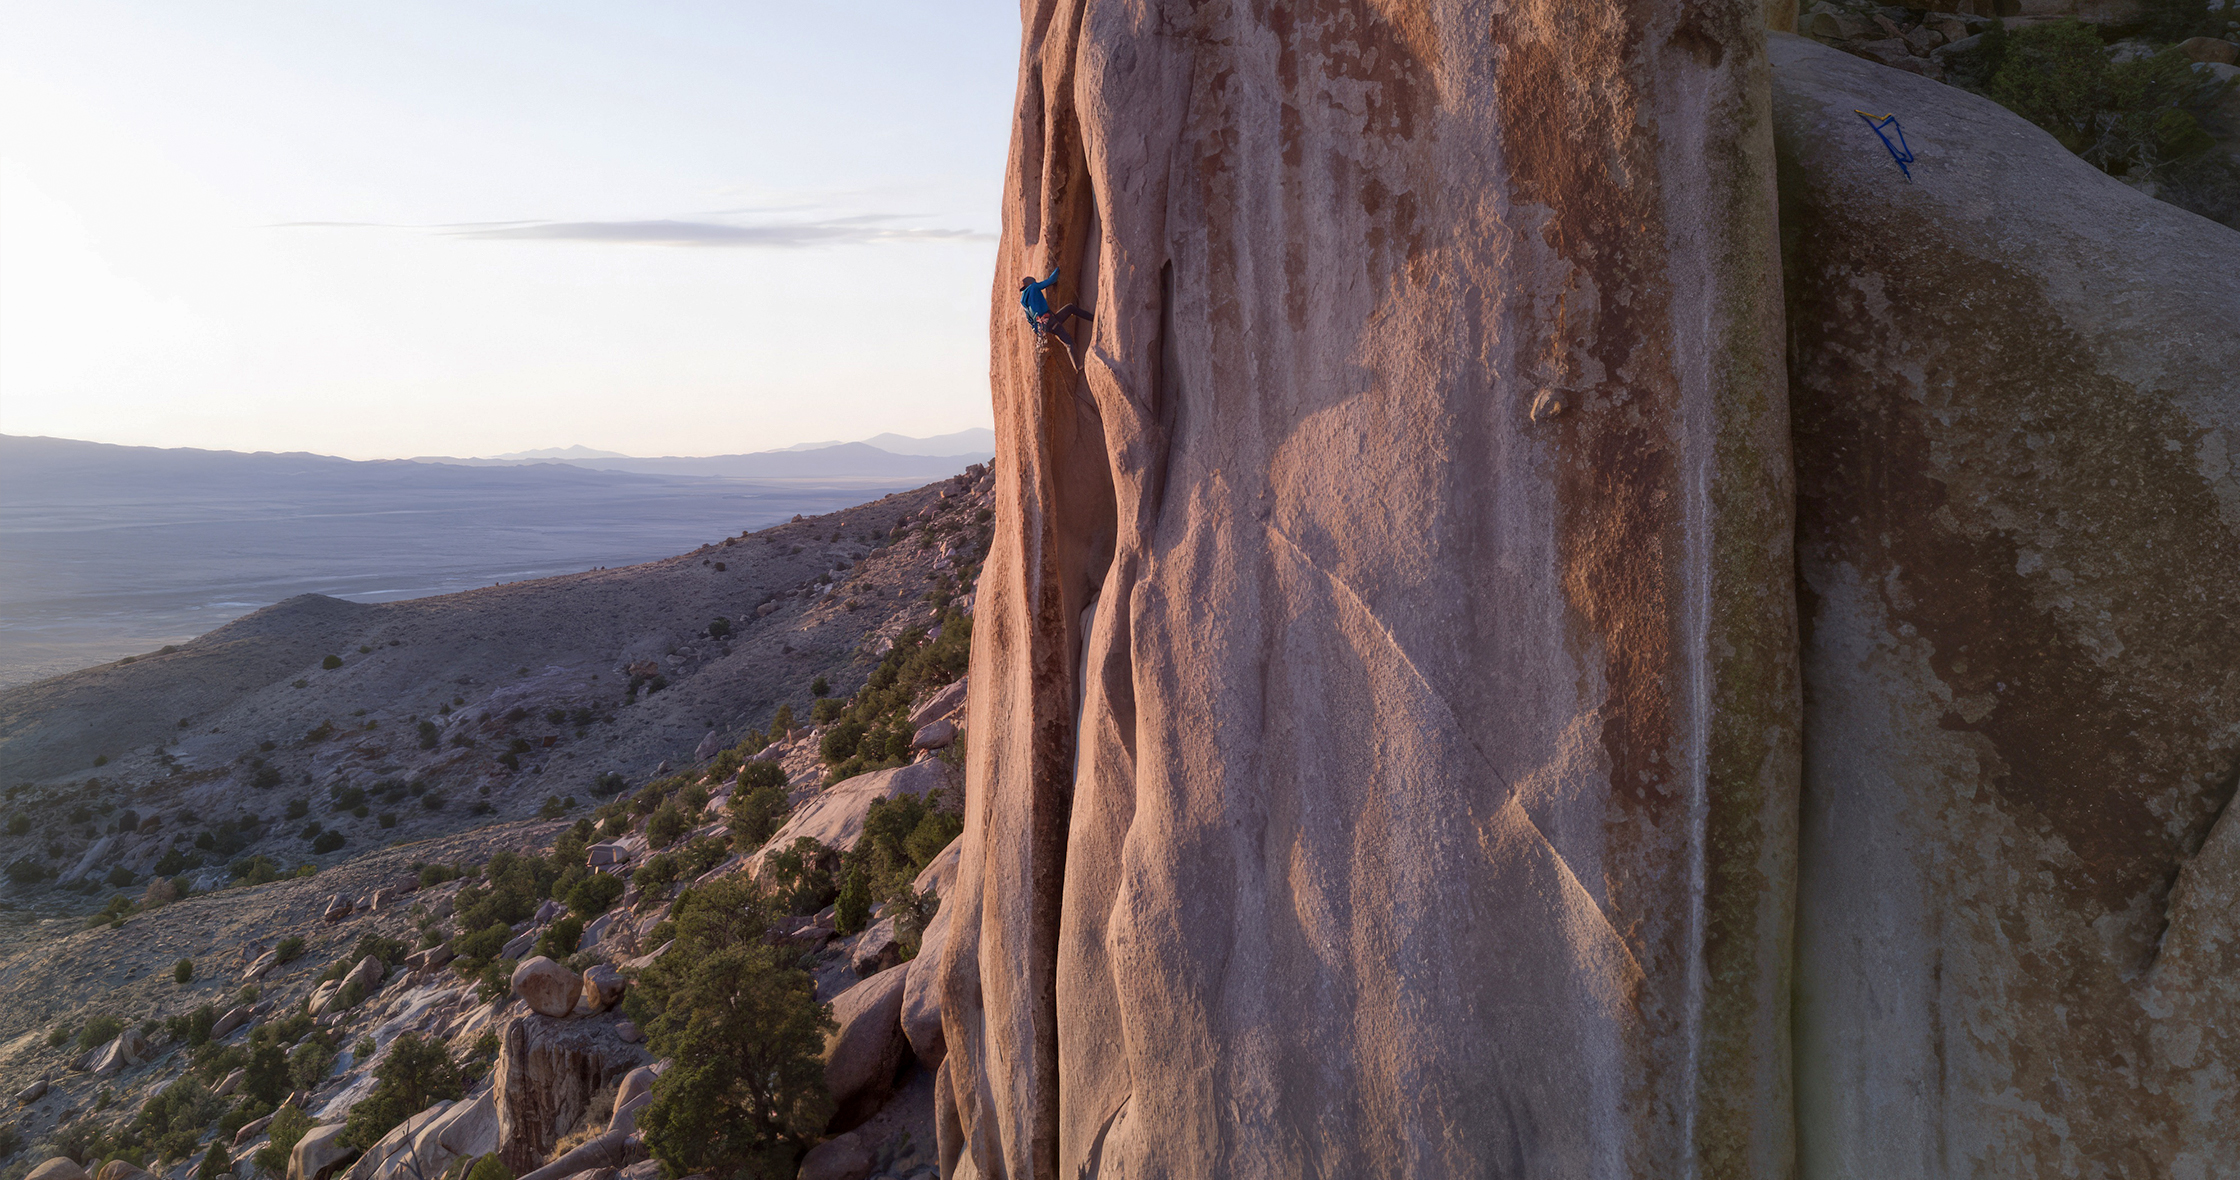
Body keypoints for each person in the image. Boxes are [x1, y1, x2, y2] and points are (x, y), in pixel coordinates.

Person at [1019, 267, 1092, 365]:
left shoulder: (1023, 302)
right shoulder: (1033, 287)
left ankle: (1093, 318)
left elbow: (1029, 320)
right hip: (1050, 320)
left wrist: (1037, 328)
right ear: (1030, 283)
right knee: (1069, 343)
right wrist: (1057, 270)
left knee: (1070, 308)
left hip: (1045, 325)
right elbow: (1050, 281)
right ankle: (1079, 368)